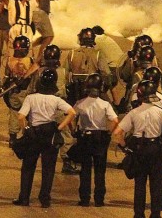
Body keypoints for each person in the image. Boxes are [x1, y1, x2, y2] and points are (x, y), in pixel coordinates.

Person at [113, 80, 162, 218]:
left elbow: (117, 133)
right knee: (156, 186)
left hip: (139, 150)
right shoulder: (160, 112)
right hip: (156, 149)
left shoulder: (134, 113)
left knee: (139, 186)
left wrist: (125, 148)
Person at [13, 67, 76, 208]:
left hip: (34, 134)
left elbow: (21, 116)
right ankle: (45, 199)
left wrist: (26, 129)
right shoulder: (56, 99)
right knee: (48, 168)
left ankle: (24, 198)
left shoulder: (31, 98)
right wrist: (59, 127)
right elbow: (72, 112)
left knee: (28, 167)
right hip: (50, 134)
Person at [72, 73, 118, 207]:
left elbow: (71, 116)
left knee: (85, 169)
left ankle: (84, 198)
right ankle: (99, 199)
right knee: (100, 169)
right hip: (100, 136)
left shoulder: (80, 103)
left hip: (85, 137)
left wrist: (73, 130)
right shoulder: (105, 104)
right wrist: (109, 132)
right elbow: (115, 120)